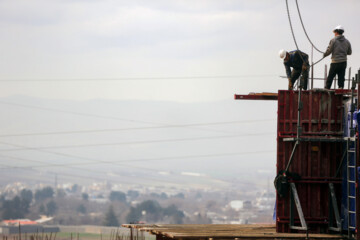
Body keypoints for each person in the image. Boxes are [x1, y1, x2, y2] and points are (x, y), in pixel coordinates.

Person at [324, 25, 352, 89]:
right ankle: (340, 88)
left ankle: (327, 89)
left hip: (335, 62)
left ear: (336, 32)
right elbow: (350, 52)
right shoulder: (347, 41)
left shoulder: (333, 40)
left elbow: (329, 50)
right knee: (341, 77)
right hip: (343, 62)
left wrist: (324, 54)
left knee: (330, 77)